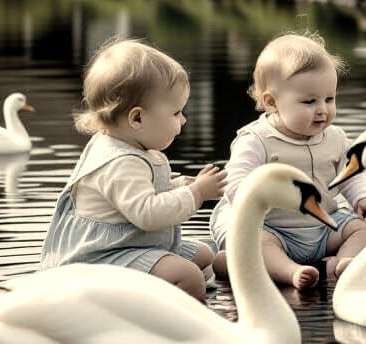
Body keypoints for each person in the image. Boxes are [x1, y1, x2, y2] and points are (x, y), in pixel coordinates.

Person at [40, 38, 226, 301]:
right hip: (101, 259)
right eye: (176, 113)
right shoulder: (119, 162)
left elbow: (147, 194)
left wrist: (185, 186)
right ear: (137, 118)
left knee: (204, 256)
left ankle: (162, 296)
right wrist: (195, 194)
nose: (183, 120)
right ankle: (179, 331)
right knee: (189, 276)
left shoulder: (132, 146)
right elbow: (147, 213)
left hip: (129, 243)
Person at [210, 32, 366, 290]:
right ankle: (290, 271)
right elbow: (236, 183)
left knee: (363, 230)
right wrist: (257, 203)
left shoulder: (335, 138)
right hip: (272, 228)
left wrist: (364, 197)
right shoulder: (256, 140)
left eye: (329, 99)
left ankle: (344, 262)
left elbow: (352, 173)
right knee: (256, 243)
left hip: (322, 228)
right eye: (309, 101)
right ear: (272, 101)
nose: (323, 109)